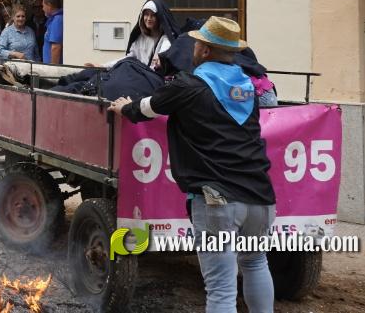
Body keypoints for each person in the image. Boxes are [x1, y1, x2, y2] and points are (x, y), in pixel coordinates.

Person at [109, 17, 275, 313]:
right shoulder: (247, 88)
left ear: (205, 51)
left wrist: (125, 108)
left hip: (217, 199)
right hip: (261, 196)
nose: (193, 47)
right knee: (256, 262)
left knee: (221, 288)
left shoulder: (190, 84)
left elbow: (148, 107)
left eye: (197, 43)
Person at [41, 0, 64, 65]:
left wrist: (53, 68)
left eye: (43, 6)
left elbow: (56, 47)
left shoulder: (57, 20)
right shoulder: (54, 19)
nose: (42, 9)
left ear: (49, 5)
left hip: (52, 68)